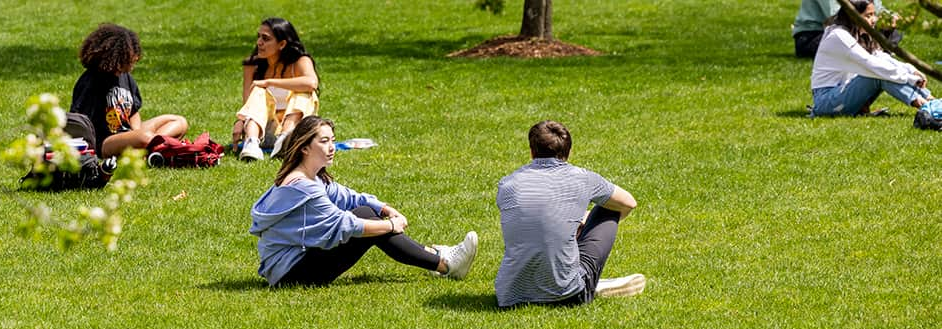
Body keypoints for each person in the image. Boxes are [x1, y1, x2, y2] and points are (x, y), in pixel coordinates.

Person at [249, 116, 479, 286]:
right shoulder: (303, 186)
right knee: (365, 218)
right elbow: (345, 225)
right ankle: (446, 265)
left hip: (293, 265)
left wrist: (385, 208)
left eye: (333, 140)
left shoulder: (312, 176)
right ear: (305, 148)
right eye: (324, 141)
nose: (332, 148)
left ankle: (435, 254)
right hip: (291, 275)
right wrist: (390, 225)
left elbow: (349, 197)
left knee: (365, 209)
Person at [495, 121, 643, 308]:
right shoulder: (583, 178)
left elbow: (536, 220)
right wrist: (587, 221)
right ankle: (587, 283)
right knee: (609, 208)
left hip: (509, 296)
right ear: (568, 152)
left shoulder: (508, 184)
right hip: (566, 296)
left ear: (532, 151)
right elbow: (629, 203)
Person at [70, 23, 189, 158]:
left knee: (179, 122)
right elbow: (79, 121)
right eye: (130, 58)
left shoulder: (126, 78)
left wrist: (135, 132)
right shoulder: (91, 81)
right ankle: (155, 149)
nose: (135, 59)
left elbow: (133, 112)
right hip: (104, 141)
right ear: (115, 57)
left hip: (129, 133)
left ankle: (147, 151)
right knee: (144, 137)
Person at [810, 0, 936, 117]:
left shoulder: (858, 33)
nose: (874, 19)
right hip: (826, 101)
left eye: (873, 14)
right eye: (868, 15)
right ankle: (926, 106)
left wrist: (910, 69)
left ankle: (931, 100)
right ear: (853, 16)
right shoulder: (839, 36)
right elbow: (871, 64)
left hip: (843, 91)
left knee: (881, 72)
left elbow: (880, 57)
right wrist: (910, 78)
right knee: (878, 76)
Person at [232, 18, 320, 162]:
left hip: (295, 130)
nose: (259, 42)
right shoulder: (252, 65)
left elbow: (311, 83)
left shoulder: (300, 61)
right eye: (259, 37)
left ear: (282, 44)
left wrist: (269, 82)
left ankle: (285, 140)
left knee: (304, 92)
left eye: (265, 39)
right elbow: (248, 103)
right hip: (264, 130)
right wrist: (239, 122)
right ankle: (251, 144)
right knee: (259, 90)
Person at [793, 0, 901, 58]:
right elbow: (835, 15)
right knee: (843, 38)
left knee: (894, 33)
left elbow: (877, 9)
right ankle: (875, 50)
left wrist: (889, 19)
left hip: (855, 26)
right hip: (813, 35)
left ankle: (874, 50)